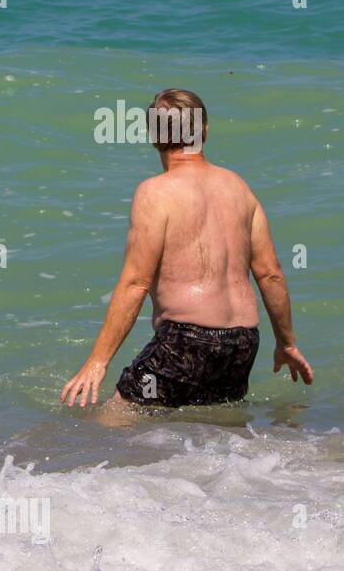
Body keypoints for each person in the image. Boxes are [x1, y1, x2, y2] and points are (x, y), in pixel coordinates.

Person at [60, 88, 313, 417]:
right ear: (204, 131)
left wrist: (97, 361)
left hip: (186, 341)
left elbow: (136, 282)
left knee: (112, 421)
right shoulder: (239, 187)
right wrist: (287, 343)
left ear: (153, 135)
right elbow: (270, 273)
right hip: (242, 344)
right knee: (216, 434)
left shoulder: (155, 193)